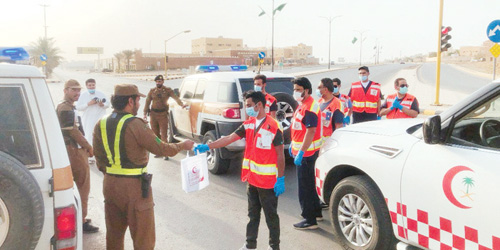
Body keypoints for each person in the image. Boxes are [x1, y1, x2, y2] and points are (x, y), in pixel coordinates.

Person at [93, 84, 194, 250]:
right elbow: (162, 149)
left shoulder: (101, 123)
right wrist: (182, 145)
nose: (139, 104)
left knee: (114, 234)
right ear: (130, 101)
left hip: (109, 184)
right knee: (143, 238)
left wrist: (112, 174)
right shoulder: (135, 124)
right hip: (134, 188)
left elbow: (99, 158)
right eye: (138, 100)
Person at [194, 90, 285, 250]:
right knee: (252, 215)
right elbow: (229, 138)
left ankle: (274, 246)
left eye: (249, 105)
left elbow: (280, 155)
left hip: (268, 183)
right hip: (251, 180)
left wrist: (281, 178)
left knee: (271, 216)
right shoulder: (249, 124)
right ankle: (250, 245)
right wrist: (208, 146)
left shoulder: (273, 126)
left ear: (259, 105)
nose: (247, 109)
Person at [56, 79, 99, 233]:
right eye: (73, 90)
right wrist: (88, 146)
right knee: (83, 185)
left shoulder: (67, 107)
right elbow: (72, 131)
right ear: (65, 90)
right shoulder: (65, 108)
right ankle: (81, 221)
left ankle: (79, 216)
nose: (77, 93)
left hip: (71, 149)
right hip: (73, 150)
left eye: (78, 90)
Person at [289, 77, 323, 230]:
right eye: (294, 89)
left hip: (307, 154)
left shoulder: (309, 107)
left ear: (306, 90)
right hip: (302, 151)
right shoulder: (303, 104)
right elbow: (299, 128)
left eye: (298, 89)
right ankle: (316, 212)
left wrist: (301, 152)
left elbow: (311, 131)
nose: (295, 92)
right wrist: (292, 144)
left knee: (305, 187)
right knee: (310, 185)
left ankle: (309, 219)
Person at [143, 75, 185, 160]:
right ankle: (159, 152)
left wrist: (182, 104)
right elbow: (147, 101)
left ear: (163, 82)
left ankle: (165, 153)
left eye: (160, 81)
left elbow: (175, 97)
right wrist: (144, 113)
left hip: (163, 114)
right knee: (155, 134)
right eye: (157, 81)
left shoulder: (167, 90)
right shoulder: (152, 91)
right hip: (153, 114)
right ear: (155, 82)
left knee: (164, 135)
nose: (158, 83)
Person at [76, 78, 110, 163]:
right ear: (86, 86)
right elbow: (78, 107)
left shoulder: (100, 94)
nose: (91, 87)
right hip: (88, 119)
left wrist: (102, 104)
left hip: (99, 118)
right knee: (89, 136)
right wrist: (88, 104)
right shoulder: (83, 95)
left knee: (100, 136)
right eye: (89, 85)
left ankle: (101, 156)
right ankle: (90, 156)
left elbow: (107, 104)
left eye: (93, 85)